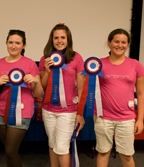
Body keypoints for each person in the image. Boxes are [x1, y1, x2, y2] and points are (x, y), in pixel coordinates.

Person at [0, 29, 43, 167]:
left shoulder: (30, 64)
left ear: (23, 45)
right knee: (9, 151)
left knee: (10, 151)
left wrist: (35, 82)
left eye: (17, 43)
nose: (13, 46)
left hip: (22, 112)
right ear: (6, 43)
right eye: (10, 42)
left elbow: (38, 94)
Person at [94, 28, 144, 167]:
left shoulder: (136, 65)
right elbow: (88, 88)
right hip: (103, 117)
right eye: (116, 41)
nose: (120, 45)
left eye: (123, 42)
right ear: (109, 43)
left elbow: (141, 94)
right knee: (103, 152)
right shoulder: (98, 65)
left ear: (128, 44)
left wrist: (140, 119)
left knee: (127, 155)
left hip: (126, 119)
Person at [39, 23, 85, 167]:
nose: (59, 41)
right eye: (56, 38)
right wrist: (47, 70)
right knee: (52, 145)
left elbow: (81, 88)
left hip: (68, 111)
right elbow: (43, 86)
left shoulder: (76, 58)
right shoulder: (45, 58)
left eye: (63, 37)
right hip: (48, 110)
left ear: (68, 39)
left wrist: (80, 113)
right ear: (51, 39)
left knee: (62, 148)